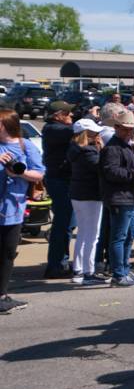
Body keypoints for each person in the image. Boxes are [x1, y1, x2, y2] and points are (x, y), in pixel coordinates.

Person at [0, 109, 45, 313]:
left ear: (6, 125)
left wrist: (20, 172)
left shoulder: (24, 145)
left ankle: (2, 295)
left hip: (13, 208)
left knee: (8, 252)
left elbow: (39, 174)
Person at [99, 109, 134, 287]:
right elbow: (111, 172)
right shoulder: (112, 148)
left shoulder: (125, 145)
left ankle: (124, 270)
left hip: (128, 196)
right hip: (119, 197)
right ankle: (118, 274)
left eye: (131, 129)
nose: (129, 132)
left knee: (129, 235)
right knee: (119, 237)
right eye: (126, 129)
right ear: (117, 128)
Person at [67, 118, 106, 285]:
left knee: (83, 233)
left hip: (78, 194)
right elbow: (102, 168)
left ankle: (79, 270)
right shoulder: (89, 152)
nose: (97, 134)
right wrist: (101, 149)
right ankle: (88, 272)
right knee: (92, 235)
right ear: (86, 134)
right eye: (94, 132)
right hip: (90, 195)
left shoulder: (75, 150)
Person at [42, 100, 76, 278]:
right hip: (59, 181)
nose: (72, 116)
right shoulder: (52, 129)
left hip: (65, 180)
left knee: (68, 224)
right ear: (58, 116)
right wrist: (91, 119)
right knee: (62, 224)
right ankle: (55, 266)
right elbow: (74, 130)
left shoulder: (59, 129)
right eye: (68, 113)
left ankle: (61, 262)